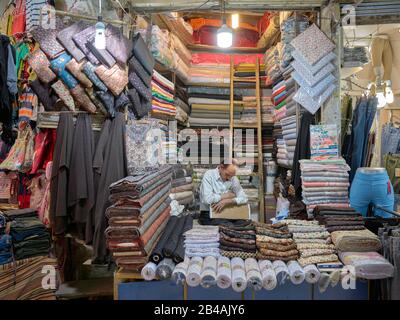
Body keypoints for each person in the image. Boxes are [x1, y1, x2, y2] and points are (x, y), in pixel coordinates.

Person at [199, 159, 249, 226]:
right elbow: (207, 199)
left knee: (244, 224)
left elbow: (244, 198)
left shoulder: (232, 178)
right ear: (221, 167)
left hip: (228, 212)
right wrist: (226, 195)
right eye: (227, 174)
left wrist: (229, 201)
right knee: (228, 226)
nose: (229, 178)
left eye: (231, 176)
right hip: (210, 213)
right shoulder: (209, 175)